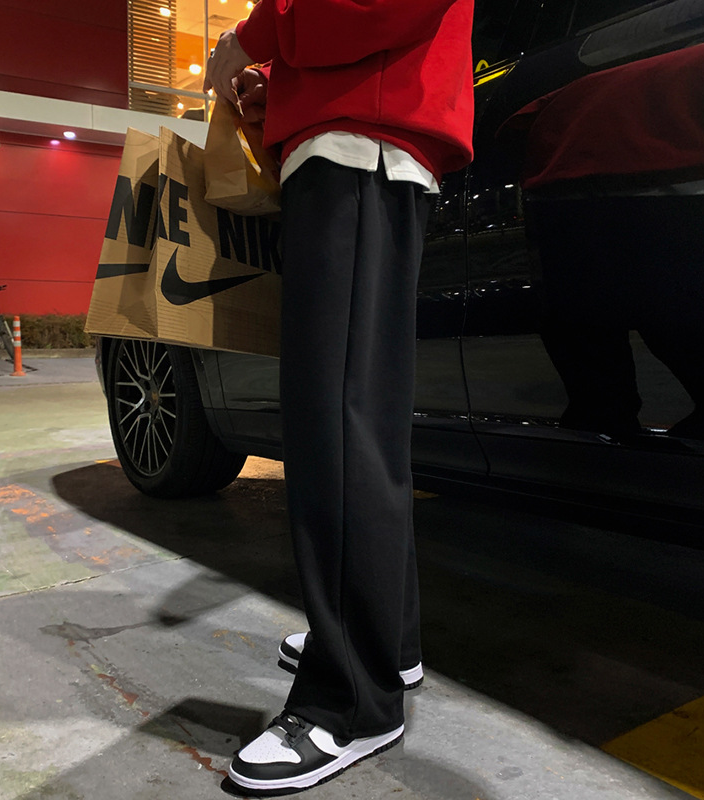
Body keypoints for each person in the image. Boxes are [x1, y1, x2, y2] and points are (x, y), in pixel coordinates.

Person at [205, 1, 475, 793]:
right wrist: (285, 81)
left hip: (361, 147)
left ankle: (352, 701)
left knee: (338, 427)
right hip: (360, 139)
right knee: (363, 425)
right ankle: (384, 641)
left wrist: (251, 36)